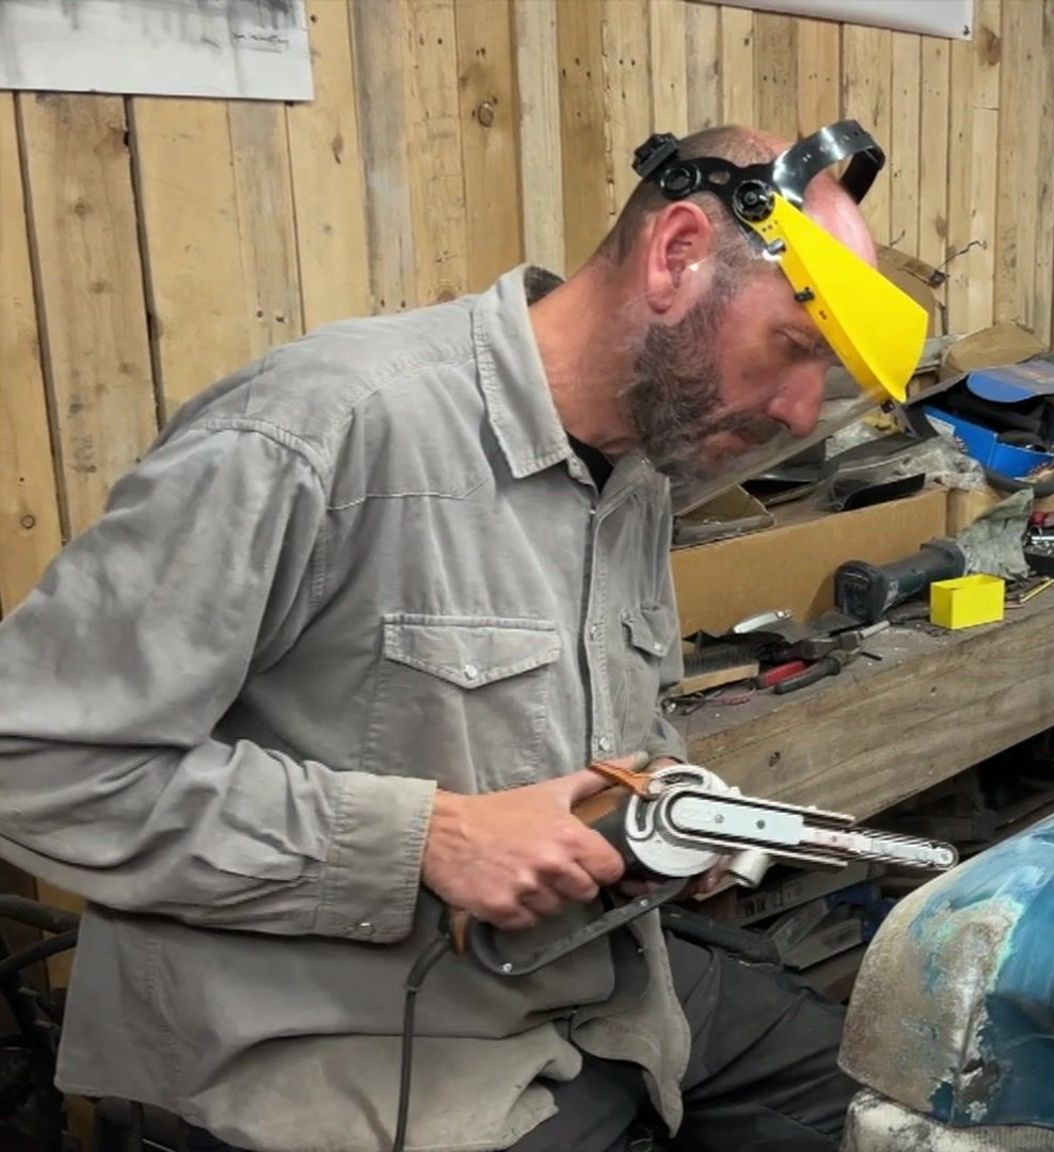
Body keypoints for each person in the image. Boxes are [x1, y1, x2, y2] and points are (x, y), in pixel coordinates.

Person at [0, 124, 891, 1152]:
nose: (794, 411)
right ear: (676, 253)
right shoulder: (322, 426)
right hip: (333, 1044)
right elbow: (34, 754)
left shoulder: (639, 466)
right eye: (794, 350)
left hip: (580, 984)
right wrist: (425, 837)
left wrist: (651, 812)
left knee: (877, 1092)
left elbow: (578, 736)